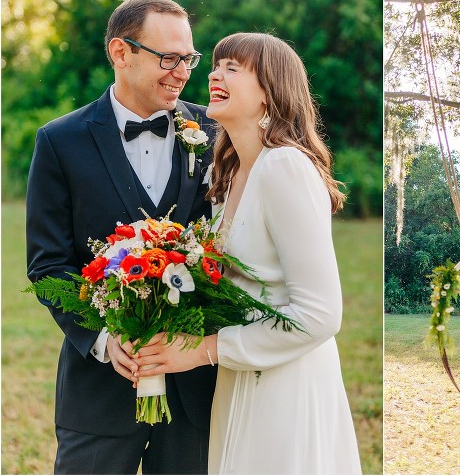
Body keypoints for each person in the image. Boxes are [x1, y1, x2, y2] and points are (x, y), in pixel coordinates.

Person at [132, 32, 362, 474]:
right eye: (216, 65)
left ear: (270, 91)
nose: (214, 74)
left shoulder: (285, 167)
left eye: (232, 68)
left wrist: (204, 350)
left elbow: (320, 315)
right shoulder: (230, 171)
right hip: (238, 376)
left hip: (284, 380)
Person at [26, 0, 217, 474]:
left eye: (188, 59)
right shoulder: (60, 141)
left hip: (196, 398)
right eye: (168, 58)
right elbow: (48, 265)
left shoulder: (214, 130)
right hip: (97, 398)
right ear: (120, 52)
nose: (181, 71)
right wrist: (104, 338)